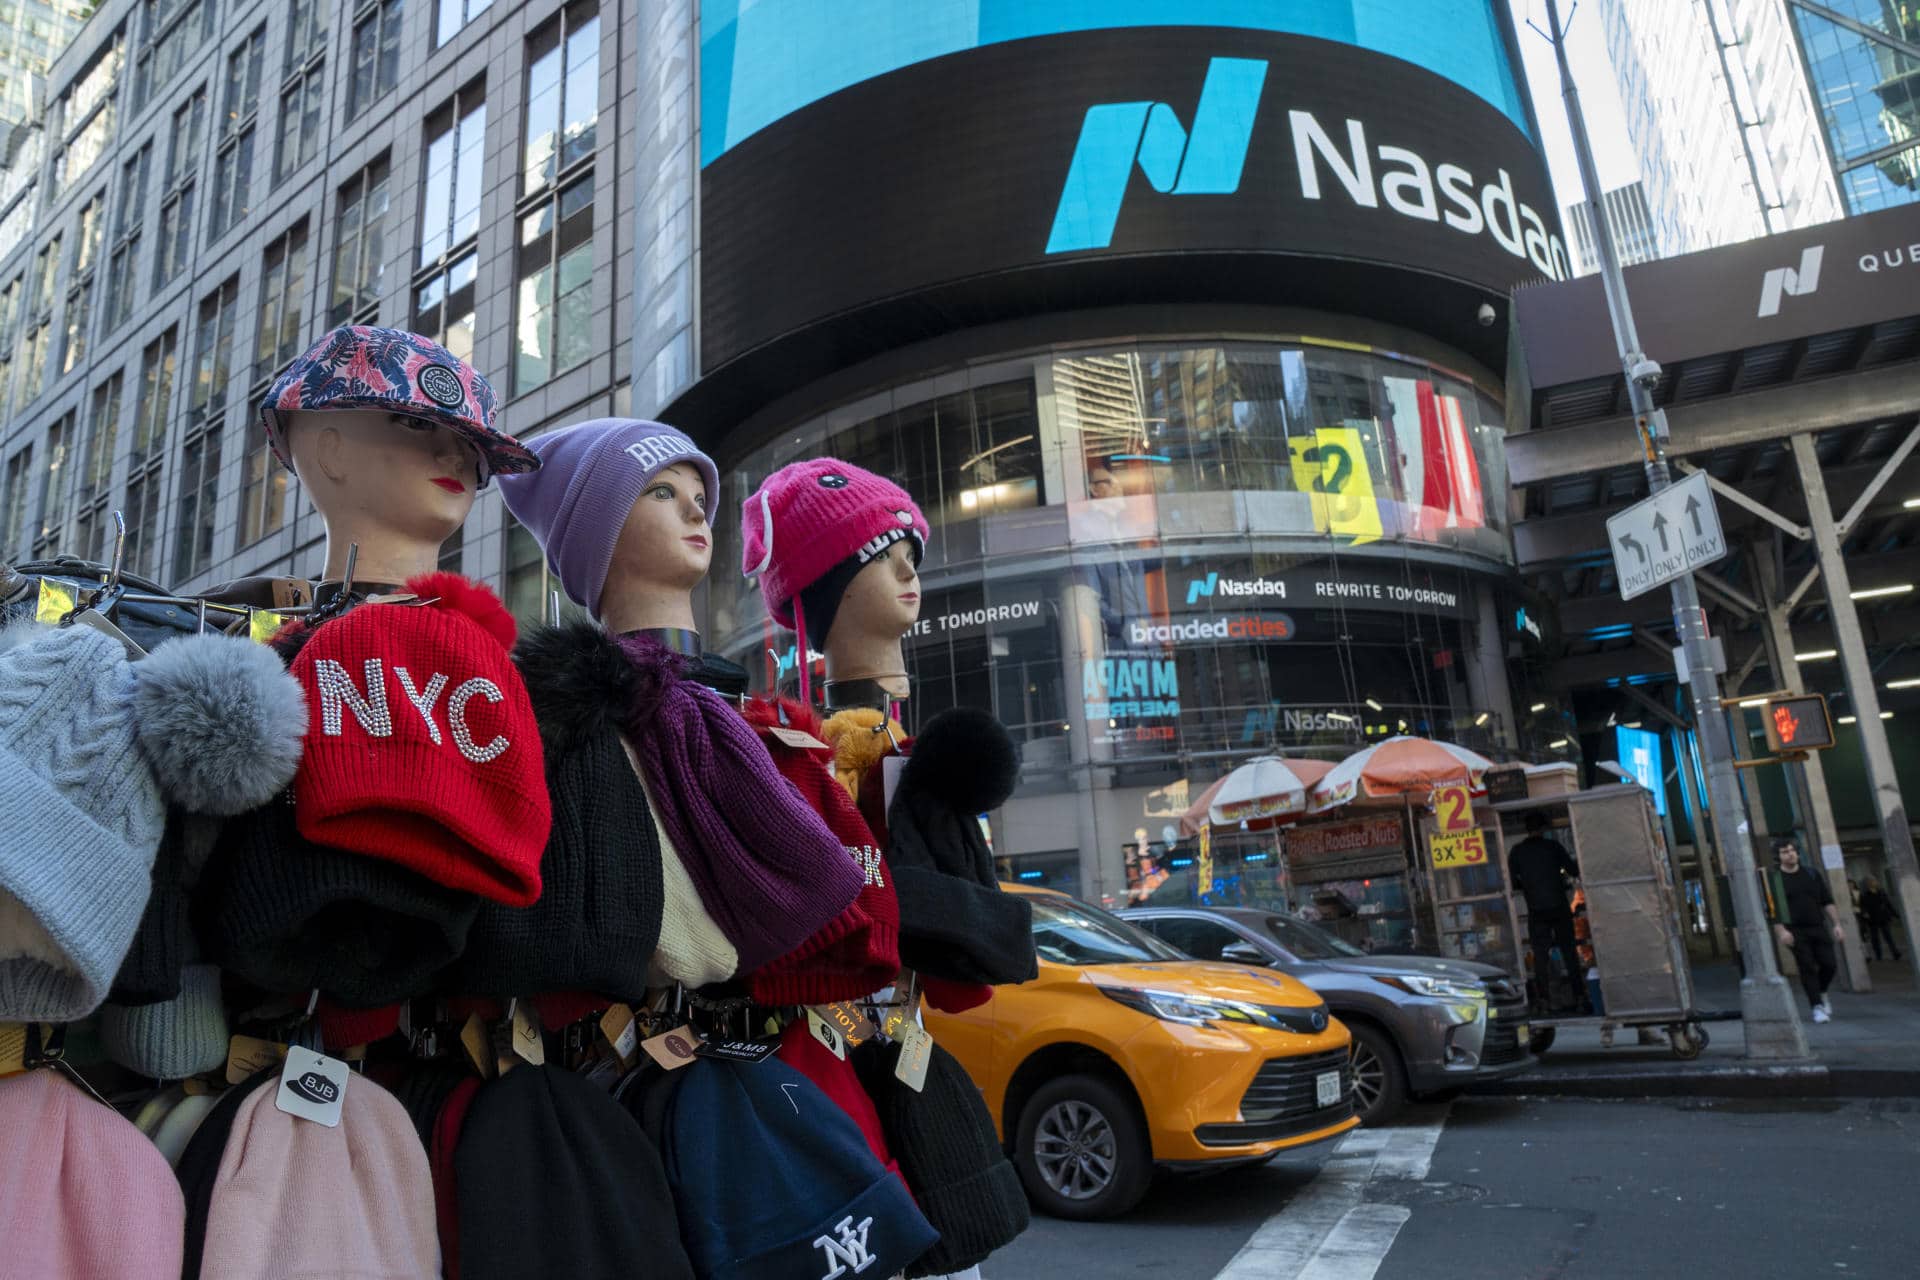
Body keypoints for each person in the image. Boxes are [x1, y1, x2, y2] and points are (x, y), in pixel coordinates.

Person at [1507, 812, 1588, 1014]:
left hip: (1536, 910)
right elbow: (1573, 870)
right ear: (1543, 829)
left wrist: (1527, 885)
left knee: (1540, 958)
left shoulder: (1517, 852)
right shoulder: (1553, 847)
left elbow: (1512, 880)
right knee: (1569, 954)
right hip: (1559, 907)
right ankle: (1579, 997)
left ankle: (1543, 1001)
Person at [1772, 839, 1844, 1023]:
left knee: (1830, 964)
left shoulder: (1812, 874)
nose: (1790, 854)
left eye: (1792, 850)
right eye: (1785, 851)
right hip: (1795, 931)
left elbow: (1826, 901)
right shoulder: (1777, 880)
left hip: (1818, 926)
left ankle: (1821, 992)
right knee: (1807, 967)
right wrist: (1781, 932)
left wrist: (1836, 924)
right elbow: (1774, 911)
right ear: (1778, 857)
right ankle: (1817, 1007)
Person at [1860, 877, 1904, 962]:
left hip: (1883, 918)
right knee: (1875, 939)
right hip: (1872, 920)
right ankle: (1878, 955)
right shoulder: (1865, 895)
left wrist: (1896, 915)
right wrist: (1865, 914)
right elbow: (1863, 907)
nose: (1873, 883)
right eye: (1871, 882)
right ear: (1867, 884)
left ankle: (1895, 953)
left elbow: (1888, 904)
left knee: (1888, 937)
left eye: (1874, 881)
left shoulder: (1882, 892)